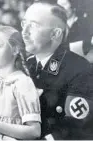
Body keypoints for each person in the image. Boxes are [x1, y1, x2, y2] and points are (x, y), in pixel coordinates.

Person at [22, 1, 93, 140]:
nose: (24, 32)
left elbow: (76, 127)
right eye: (24, 23)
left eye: (34, 26)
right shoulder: (26, 66)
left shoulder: (79, 70)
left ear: (55, 34)